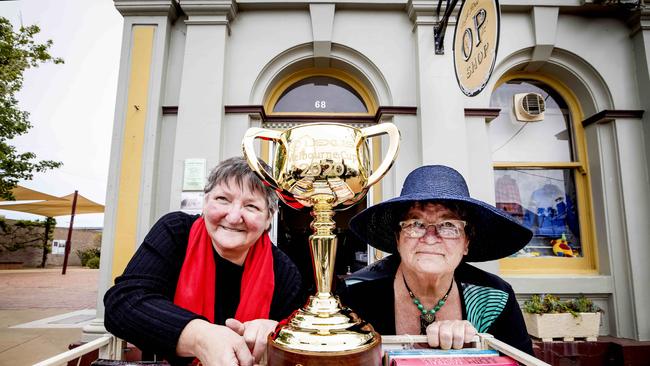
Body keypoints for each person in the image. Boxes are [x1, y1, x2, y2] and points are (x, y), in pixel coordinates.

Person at [104, 157, 303, 366]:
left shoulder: (284, 271)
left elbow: (300, 342)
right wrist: (201, 337)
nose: (234, 217)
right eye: (222, 199)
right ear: (205, 202)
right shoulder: (176, 232)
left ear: (268, 219)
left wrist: (279, 334)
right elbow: (122, 303)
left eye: (251, 206)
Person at [341, 165, 534, 354]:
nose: (430, 237)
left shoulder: (494, 297)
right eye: (416, 223)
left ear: (466, 242)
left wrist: (472, 351)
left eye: (448, 225)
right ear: (398, 240)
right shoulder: (355, 293)